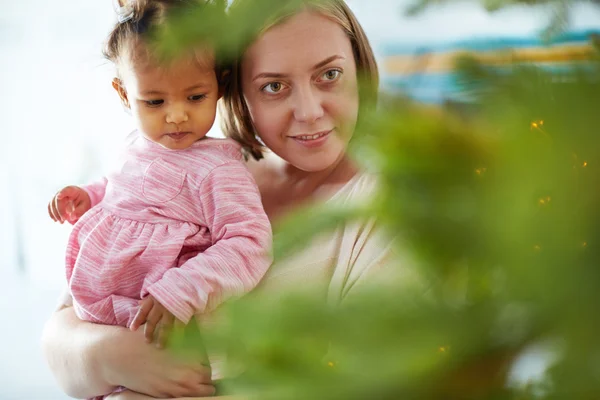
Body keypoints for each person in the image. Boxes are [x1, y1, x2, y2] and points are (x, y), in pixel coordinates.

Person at [42, 0, 409, 398]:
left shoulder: (387, 213)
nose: (308, 111)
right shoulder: (181, 163)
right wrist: (110, 355)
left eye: (330, 74)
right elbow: (61, 338)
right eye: (273, 86)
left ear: (360, 70)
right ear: (235, 91)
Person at [44, 0, 271, 397]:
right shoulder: (135, 142)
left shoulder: (219, 170)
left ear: (219, 83)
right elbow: (126, 192)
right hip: (110, 325)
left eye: (195, 97)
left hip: (168, 329)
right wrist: (90, 195)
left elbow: (250, 243)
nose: (177, 116)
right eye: (155, 101)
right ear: (122, 93)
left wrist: (180, 290)